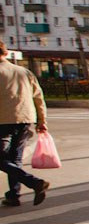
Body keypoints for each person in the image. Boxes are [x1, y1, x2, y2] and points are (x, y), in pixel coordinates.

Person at [0, 42, 50, 207]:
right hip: (25, 119)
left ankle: (34, 183)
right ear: (6, 53)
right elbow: (38, 97)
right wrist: (42, 121)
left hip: (3, 121)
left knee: (3, 159)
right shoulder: (24, 72)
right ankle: (14, 195)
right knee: (15, 158)